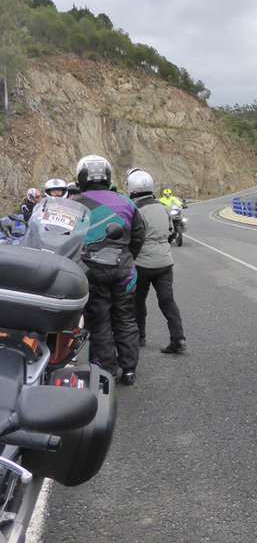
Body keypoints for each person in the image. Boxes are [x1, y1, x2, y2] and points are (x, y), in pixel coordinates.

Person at [73, 154, 145, 385]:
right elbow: (138, 237)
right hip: (123, 270)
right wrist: (126, 258)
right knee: (125, 318)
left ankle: (105, 372)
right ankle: (130, 369)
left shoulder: (73, 204)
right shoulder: (127, 202)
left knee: (99, 320)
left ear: (81, 177)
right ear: (108, 177)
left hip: (90, 271)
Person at [126, 169, 187, 355]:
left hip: (142, 263)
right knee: (167, 301)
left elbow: (133, 236)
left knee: (138, 301)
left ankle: (140, 337)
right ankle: (178, 339)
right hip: (164, 262)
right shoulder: (163, 207)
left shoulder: (135, 210)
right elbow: (171, 233)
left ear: (132, 188)